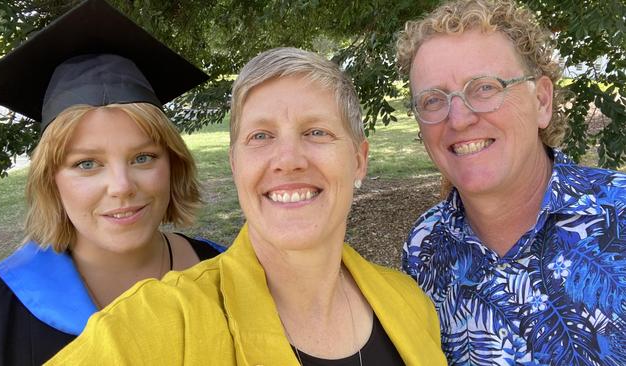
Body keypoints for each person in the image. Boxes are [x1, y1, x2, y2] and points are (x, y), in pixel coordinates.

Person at [47, 47, 447, 365]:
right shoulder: (161, 322)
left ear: (359, 159)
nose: (288, 159)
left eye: (316, 131)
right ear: (235, 164)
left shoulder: (410, 304)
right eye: (260, 136)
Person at [0, 1, 224, 364]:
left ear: (174, 164)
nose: (122, 186)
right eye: (87, 163)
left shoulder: (225, 272)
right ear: (51, 180)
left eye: (143, 157)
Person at [396, 0, 626, 365]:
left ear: (542, 100)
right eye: (433, 100)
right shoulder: (424, 249)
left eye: (485, 88)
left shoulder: (620, 214)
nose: (458, 119)